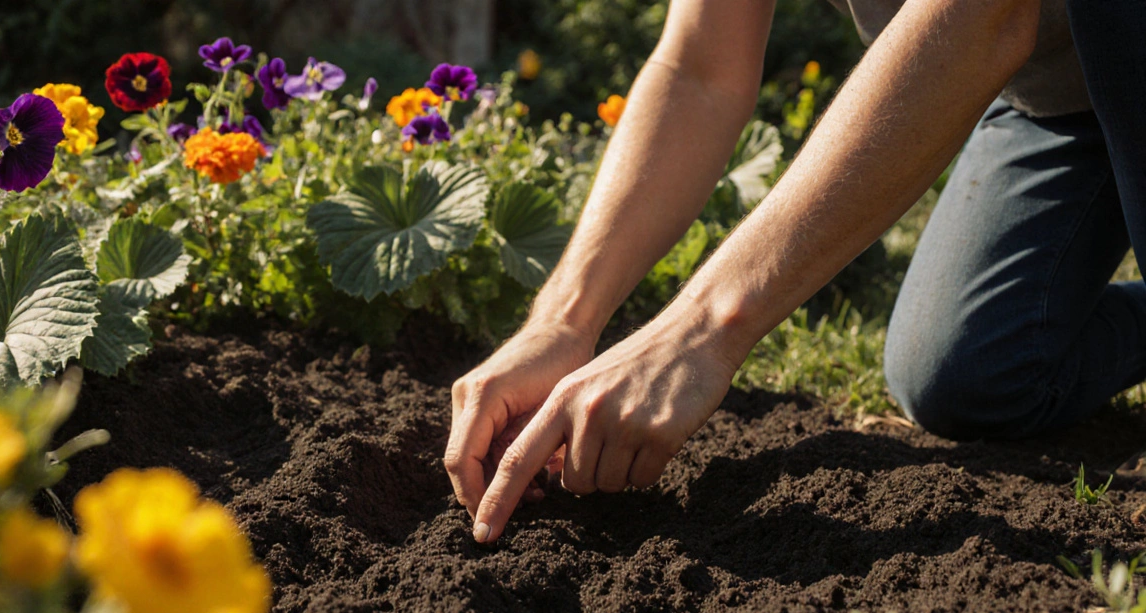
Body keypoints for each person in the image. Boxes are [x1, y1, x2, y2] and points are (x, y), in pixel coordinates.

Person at [444, 0, 1146, 544]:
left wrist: (699, 331)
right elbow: (699, 71)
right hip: (1057, 103)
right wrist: (563, 321)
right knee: (965, 373)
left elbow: (986, 11)